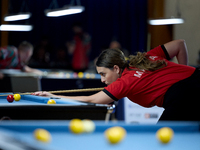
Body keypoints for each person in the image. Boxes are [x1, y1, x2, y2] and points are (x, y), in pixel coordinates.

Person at [33, 39, 200, 121]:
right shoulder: (146, 58)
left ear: (116, 69)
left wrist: (52, 96)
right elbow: (180, 44)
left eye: (103, 74)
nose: (102, 80)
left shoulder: (125, 82)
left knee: (163, 140)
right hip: (194, 80)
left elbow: (92, 99)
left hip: (184, 97)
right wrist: (182, 73)